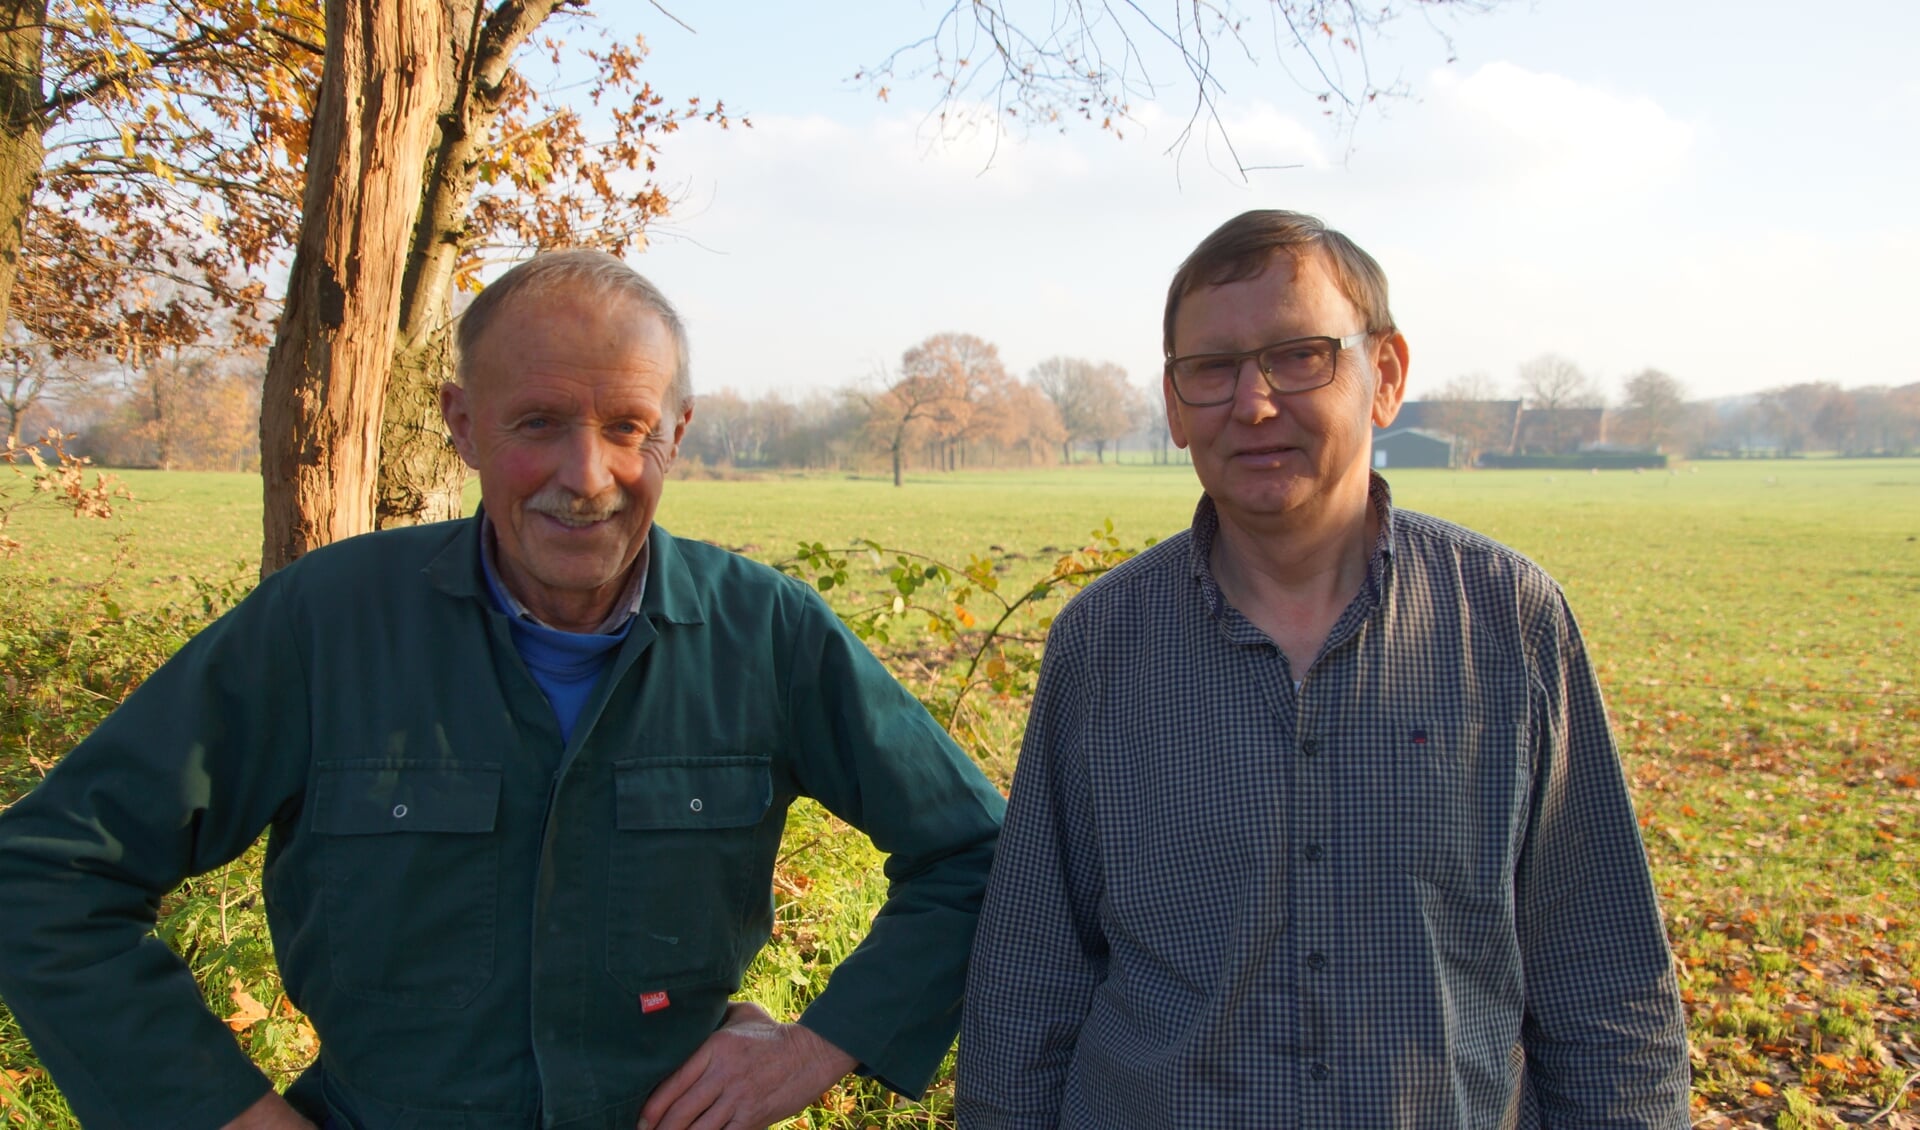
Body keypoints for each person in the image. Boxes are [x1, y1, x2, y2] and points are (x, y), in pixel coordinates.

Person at [0, 250, 1006, 1130]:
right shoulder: (327, 626)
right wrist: (222, 1112)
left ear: (679, 432)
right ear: (462, 423)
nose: (588, 473)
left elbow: (981, 849)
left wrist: (815, 1047)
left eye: (628, 426)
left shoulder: (765, 632)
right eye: (539, 421)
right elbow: (48, 875)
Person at [955, 210, 1690, 1128]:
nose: (1254, 403)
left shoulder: (1507, 623)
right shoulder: (1100, 647)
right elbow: (1028, 991)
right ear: (1177, 407)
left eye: (1299, 355)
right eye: (1212, 369)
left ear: (1384, 377)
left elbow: (1605, 981)